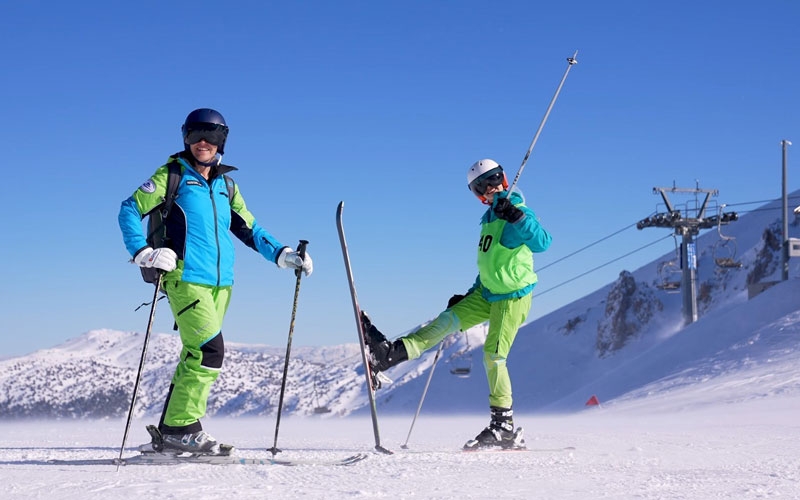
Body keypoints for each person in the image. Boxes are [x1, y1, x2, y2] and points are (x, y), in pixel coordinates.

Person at [118, 108, 312, 454]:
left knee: (195, 353)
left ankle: (170, 430)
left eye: (210, 136)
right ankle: (182, 429)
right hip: (185, 278)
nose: (202, 142)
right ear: (185, 139)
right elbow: (129, 209)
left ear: (222, 141)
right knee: (210, 351)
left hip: (222, 284)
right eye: (194, 135)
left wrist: (282, 254)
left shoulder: (227, 186)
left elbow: (249, 227)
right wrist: (143, 252)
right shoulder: (171, 175)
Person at [361, 158, 551, 449]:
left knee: (494, 356)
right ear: (477, 195)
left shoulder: (517, 212)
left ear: (505, 177)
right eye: (482, 185)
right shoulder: (489, 220)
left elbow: (543, 242)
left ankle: (505, 426)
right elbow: (490, 265)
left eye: (494, 179)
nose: (491, 188)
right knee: (446, 320)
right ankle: (390, 355)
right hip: (487, 293)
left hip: (512, 297)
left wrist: (514, 215)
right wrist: (471, 292)